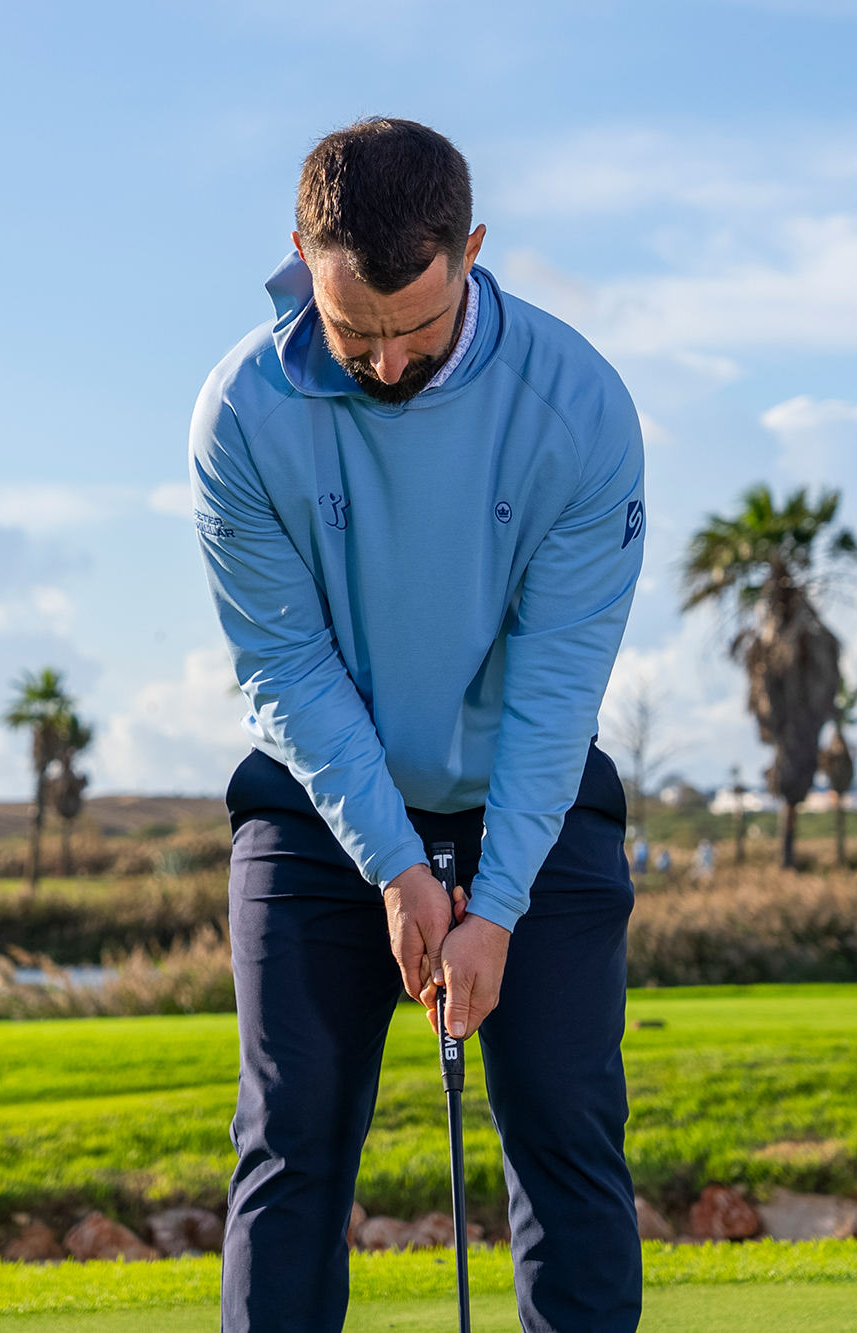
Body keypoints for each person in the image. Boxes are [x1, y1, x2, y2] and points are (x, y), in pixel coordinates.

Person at [190, 117, 645, 1333]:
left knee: (563, 1127)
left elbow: (556, 689)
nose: (384, 364)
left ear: (472, 252)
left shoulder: (578, 407)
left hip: (526, 791)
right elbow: (284, 665)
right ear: (299, 253)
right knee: (289, 1144)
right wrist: (395, 866)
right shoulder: (239, 412)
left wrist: (493, 905)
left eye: (414, 330)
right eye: (353, 332)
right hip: (317, 795)